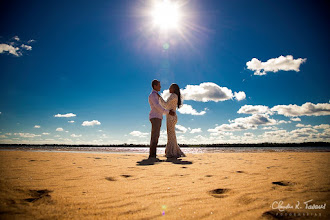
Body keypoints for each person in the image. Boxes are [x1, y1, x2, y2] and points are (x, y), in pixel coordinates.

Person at [148, 79, 175, 160]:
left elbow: (161, 105)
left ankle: (153, 155)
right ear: (155, 86)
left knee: (156, 135)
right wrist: (168, 112)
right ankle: (152, 155)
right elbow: (157, 106)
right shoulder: (153, 95)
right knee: (155, 136)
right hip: (155, 116)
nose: (160, 86)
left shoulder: (157, 95)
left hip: (158, 117)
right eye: (159, 85)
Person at [157, 83, 186, 158]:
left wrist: (159, 97)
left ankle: (172, 152)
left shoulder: (173, 95)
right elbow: (167, 106)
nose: (169, 89)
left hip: (171, 117)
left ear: (174, 89)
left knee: (171, 135)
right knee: (171, 135)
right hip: (172, 117)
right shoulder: (175, 96)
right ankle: (173, 151)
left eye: (170, 87)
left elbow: (165, 105)